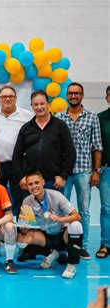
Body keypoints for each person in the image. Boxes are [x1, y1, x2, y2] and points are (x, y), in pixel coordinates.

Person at [56, 82, 103, 259]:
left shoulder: (92, 117)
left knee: (84, 210)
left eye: (77, 93)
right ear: (66, 96)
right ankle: (63, 246)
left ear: (82, 95)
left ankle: (81, 246)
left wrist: (96, 170)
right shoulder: (59, 117)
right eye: (70, 93)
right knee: (62, 210)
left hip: (84, 170)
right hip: (64, 173)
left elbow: (97, 146)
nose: (73, 96)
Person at [16, 171, 83, 279]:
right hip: (46, 236)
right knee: (21, 240)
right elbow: (24, 229)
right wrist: (24, 228)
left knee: (76, 226)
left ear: (43, 182)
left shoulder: (56, 196)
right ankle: (53, 252)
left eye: (36, 182)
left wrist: (60, 219)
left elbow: (77, 216)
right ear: (27, 186)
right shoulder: (26, 201)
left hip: (62, 235)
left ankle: (71, 265)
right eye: (30, 184)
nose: (34, 186)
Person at [12, 90, 76, 203]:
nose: (39, 107)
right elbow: (16, 156)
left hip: (54, 182)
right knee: (30, 218)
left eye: (42, 103)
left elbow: (70, 153)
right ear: (32, 106)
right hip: (31, 184)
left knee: (55, 216)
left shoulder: (60, 126)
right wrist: (21, 177)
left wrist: (63, 176)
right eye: (36, 104)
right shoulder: (26, 128)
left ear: (48, 104)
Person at [0, 85, 34, 214]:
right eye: (4, 97)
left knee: (21, 199)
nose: (7, 99)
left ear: (16, 99)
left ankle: (21, 229)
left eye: (11, 96)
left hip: (19, 164)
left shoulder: (27, 116)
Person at [96, 86, 110, 259]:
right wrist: (97, 170)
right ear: (107, 98)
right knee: (107, 208)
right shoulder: (100, 119)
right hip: (107, 170)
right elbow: (97, 147)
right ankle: (105, 244)